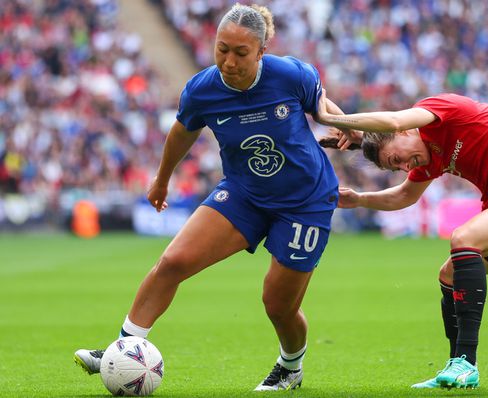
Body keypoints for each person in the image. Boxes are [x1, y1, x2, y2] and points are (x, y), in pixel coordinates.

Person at [74, 3, 346, 391]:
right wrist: (161, 179)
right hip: (244, 193)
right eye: (222, 49)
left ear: (261, 52)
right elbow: (182, 131)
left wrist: (345, 125)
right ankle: (124, 346)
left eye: (240, 53)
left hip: (305, 201)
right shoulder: (203, 89)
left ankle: (290, 367)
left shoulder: (291, 74)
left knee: (278, 305)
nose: (229, 61)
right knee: (173, 261)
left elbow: (321, 107)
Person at [316, 90, 488, 389]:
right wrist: (360, 199)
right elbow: (404, 195)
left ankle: (466, 362)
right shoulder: (428, 157)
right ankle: (458, 367)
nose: (405, 167)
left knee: (464, 238)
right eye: (396, 167)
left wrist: (329, 117)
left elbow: (391, 120)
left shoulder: (440, 110)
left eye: (397, 160)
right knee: (450, 274)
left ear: (402, 132)